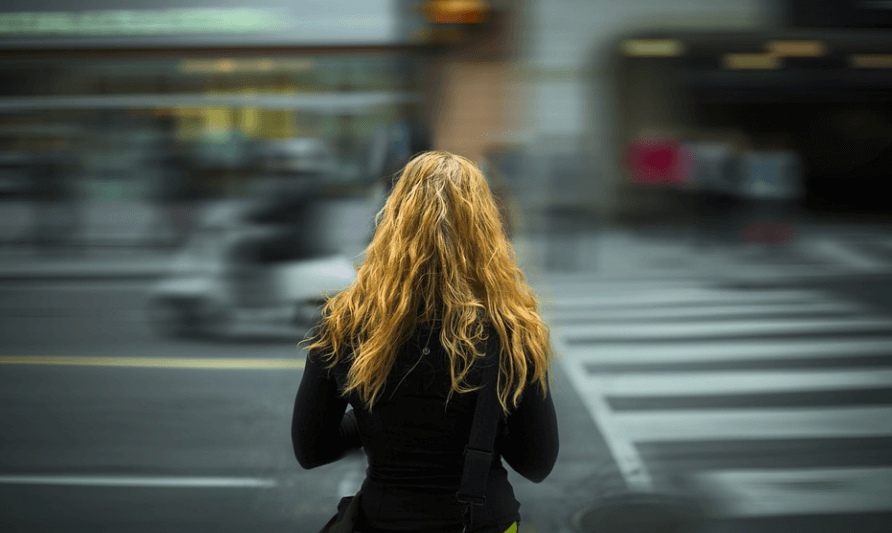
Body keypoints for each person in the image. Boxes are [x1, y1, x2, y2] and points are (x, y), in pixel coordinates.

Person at [292, 151, 559, 533]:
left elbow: (311, 449)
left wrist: (376, 423)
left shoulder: (344, 322)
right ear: (486, 228)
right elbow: (537, 463)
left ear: (392, 220)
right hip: (482, 523)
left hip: (383, 521)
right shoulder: (509, 329)